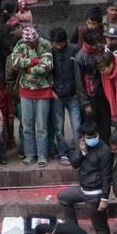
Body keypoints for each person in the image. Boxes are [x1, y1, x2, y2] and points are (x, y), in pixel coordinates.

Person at [59, 121, 113, 234]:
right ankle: (74, 232)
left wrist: (104, 199)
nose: (91, 140)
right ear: (83, 137)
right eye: (88, 138)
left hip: (95, 194)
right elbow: (74, 164)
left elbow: (107, 176)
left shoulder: (105, 151)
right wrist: (82, 152)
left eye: (93, 137)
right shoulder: (83, 145)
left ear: (97, 134)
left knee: (100, 227)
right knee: (63, 197)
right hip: (83, 189)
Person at [6, 24, 53, 167]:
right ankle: (29, 155)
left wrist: (27, 67)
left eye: (32, 42)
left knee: (41, 126)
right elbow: (14, 62)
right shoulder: (20, 45)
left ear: (36, 38)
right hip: (25, 90)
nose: (30, 44)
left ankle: (42, 156)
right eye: (28, 43)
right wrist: (34, 61)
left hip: (43, 90)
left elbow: (48, 66)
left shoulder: (45, 44)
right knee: (27, 126)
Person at [48, 26, 82, 162]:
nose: (58, 46)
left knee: (77, 126)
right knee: (58, 127)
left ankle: (80, 152)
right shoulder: (49, 52)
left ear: (65, 41)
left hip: (73, 94)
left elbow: (78, 74)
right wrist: (51, 90)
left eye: (60, 43)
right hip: (56, 95)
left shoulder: (74, 50)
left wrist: (78, 92)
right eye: (55, 43)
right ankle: (63, 152)